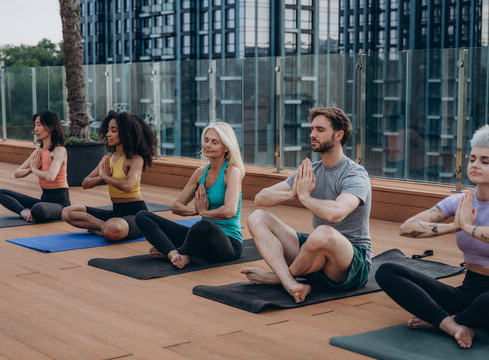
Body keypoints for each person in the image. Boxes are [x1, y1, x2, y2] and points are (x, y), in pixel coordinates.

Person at [240, 107, 372, 304]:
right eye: (312, 129)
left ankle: (279, 278)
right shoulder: (312, 170)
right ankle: (290, 282)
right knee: (257, 217)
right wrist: (293, 193)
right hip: (315, 257)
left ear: (338, 135)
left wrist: (305, 197)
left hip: (352, 263)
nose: (312, 134)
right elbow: (261, 197)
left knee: (324, 233)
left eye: (319, 129)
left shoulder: (355, 174)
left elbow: (336, 214)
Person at [375, 125, 489, 349]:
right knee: (387, 271)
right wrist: (453, 227)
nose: (475, 165)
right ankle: (451, 323)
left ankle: (446, 320)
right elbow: (407, 227)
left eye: (485, 161)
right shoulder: (461, 201)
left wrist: (467, 227)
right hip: (468, 289)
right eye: (472, 158)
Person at [135, 122, 244, 269]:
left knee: (204, 225)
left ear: (226, 147)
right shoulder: (200, 173)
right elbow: (176, 206)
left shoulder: (232, 172)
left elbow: (229, 211)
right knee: (143, 216)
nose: (208, 145)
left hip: (228, 243)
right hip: (199, 237)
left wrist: (204, 212)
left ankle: (181, 253)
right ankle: (174, 254)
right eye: (206, 140)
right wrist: (195, 211)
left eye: (214, 142)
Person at [61, 111, 156, 241]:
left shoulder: (135, 159)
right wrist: (100, 177)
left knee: (113, 229)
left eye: (113, 131)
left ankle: (100, 229)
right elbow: (85, 183)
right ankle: (103, 229)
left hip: (136, 214)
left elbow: (128, 186)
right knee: (68, 212)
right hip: (116, 212)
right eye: (108, 130)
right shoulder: (109, 158)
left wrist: (106, 178)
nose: (108, 134)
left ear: (126, 133)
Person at [0, 110, 70, 222]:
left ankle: (33, 212)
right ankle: (24, 212)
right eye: (35, 125)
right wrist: (31, 168)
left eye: (39, 125)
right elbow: (17, 173)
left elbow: (50, 177)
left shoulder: (59, 150)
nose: (35, 129)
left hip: (60, 204)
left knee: (38, 209)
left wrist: (34, 169)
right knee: (1, 193)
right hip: (44, 200)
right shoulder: (38, 152)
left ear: (51, 126)